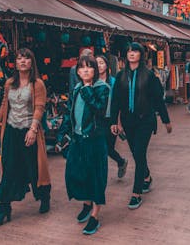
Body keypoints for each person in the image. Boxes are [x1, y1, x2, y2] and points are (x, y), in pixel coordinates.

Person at [0, 48, 51, 227]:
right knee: (8, 168)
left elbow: (40, 107)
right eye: (19, 58)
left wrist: (33, 129)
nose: (22, 61)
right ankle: (3, 209)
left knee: (33, 168)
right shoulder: (9, 82)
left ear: (31, 62)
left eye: (26, 58)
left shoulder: (37, 84)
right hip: (10, 131)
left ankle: (44, 196)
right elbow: (4, 104)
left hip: (28, 131)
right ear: (15, 63)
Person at [110, 42, 172, 210]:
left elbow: (158, 99)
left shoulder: (149, 75)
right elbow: (115, 101)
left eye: (135, 51)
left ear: (141, 54)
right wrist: (114, 122)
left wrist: (166, 120)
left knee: (139, 152)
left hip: (145, 120)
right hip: (128, 121)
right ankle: (147, 177)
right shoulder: (120, 76)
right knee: (137, 154)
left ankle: (136, 194)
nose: (131, 53)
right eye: (129, 51)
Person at [56, 55, 110, 235]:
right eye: (82, 67)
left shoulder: (102, 88)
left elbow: (99, 109)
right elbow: (68, 112)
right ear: (77, 71)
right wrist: (62, 133)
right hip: (78, 139)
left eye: (89, 67)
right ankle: (86, 203)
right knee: (76, 173)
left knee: (96, 177)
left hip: (94, 139)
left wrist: (88, 89)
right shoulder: (76, 88)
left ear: (95, 70)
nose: (85, 70)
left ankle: (95, 215)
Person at [96, 55, 128, 178]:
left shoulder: (114, 82)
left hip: (111, 119)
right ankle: (100, 175)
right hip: (98, 120)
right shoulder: (93, 82)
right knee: (100, 148)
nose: (99, 65)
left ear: (107, 65)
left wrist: (119, 122)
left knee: (108, 148)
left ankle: (121, 161)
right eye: (97, 63)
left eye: (101, 63)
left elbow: (119, 103)